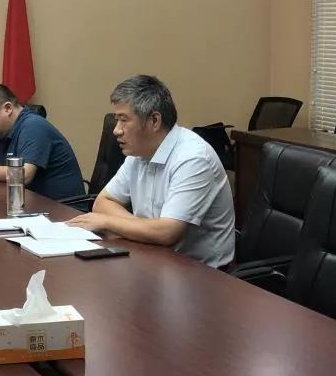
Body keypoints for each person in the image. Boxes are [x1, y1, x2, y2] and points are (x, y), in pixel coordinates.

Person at [67, 75, 235, 268]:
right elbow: (103, 202)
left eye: (124, 120)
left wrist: (108, 222)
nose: (116, 130)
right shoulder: (138, 153)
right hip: (151, 256)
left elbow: (167, 232)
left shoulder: (193, 158)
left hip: (202, 273)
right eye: (116, 120)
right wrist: (143, 229)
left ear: (154, 121)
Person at [0, 83, 85, 200]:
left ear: (7, 108)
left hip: (62, 209)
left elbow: (24, 175)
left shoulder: (33, 126)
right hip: (28, 203)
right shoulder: (4, 131)